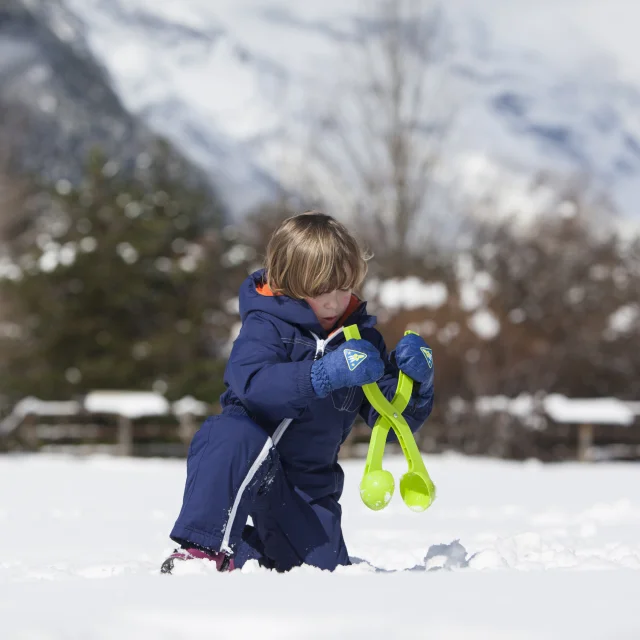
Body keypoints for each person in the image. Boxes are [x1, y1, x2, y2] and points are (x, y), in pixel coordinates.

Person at [161, 212, 434, 574]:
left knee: (318, 571)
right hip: (246, 456)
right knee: (229, 434)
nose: (336, 302)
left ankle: (245, 554)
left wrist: (417, 383)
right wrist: (323, 374)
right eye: (322, 290)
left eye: (345, 287)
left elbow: (392, 417)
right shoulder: (266, 325)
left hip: (307, 484)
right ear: (289, 282)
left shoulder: (361, 340)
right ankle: (202, 550)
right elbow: (253, 384)